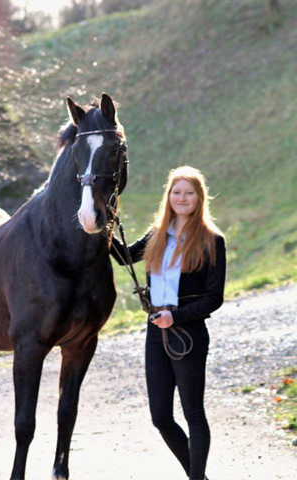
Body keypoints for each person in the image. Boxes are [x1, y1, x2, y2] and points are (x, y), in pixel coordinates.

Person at [111, 165, 227, 480]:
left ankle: (195, 478)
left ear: (199, 198)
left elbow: (214, 298)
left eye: (189, 193)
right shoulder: (157, 234)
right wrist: (103, 224)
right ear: (169, 196)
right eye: (177, 192)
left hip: (188, 332)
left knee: (193, 412)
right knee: (161, 416)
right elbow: (123, 257)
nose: (182, 198)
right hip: (155, 334)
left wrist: (175, 316)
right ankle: (198, 475)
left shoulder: (211, 240)